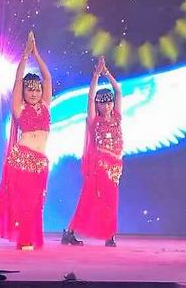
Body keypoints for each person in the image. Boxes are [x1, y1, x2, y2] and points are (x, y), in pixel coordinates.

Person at [0, 31, 52, 250]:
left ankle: (25, 238)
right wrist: (25, 56)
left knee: (34, 203)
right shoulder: (19, 108)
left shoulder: (45, 106)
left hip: (41, 162)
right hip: (22, 159)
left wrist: (36, 54)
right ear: (23, 92)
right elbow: (18, 79)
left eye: (37, 90)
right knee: (12, 200)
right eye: (29, 89)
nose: (34, 93)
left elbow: (47, 78)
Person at [62, 55, 123, 247]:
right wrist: (96, 76)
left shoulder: (117, 117)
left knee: (111, 201)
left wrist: (107, 73)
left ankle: (110, 235)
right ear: (97, 105)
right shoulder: (94, 121)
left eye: (109, 102)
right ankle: (70, 232)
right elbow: (90, 97)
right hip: (99, 167)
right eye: (102, 102)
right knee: (89, 200)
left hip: (115, 167)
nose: (107, 105)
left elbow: (118, 90)